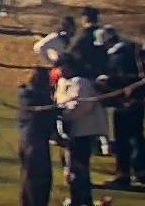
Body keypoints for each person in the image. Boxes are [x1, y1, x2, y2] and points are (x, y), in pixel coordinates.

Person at [101, 27, 145, 187]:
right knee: (138, 137)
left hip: (124, 104)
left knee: (122, 141)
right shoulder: (135, 52)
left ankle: (123, 176)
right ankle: (142, 174)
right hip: (139, 102)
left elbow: (117, 81)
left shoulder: (116, 58)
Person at [55, 58, 109, 206]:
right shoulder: (63, 82)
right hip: (71, 132)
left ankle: (79, 200)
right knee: (73, 167)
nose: (61, 70)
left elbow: (82, 105)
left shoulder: (80, 82)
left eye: (64, 67)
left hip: (82, 132)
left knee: (78, 168)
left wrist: (64, 115)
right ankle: (83, 200)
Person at [18, 67, 57, 206]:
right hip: (35, 142)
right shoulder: (37, 97)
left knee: (30, 177)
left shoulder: (27, 94)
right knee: (39, 178)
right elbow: (46, 116)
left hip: (28, 140)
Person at [67, 7, 107, 77]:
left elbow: (70, 51)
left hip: (83, 73)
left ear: (84, 19)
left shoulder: (83, 35)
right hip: (99, 71)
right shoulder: (100, 34)